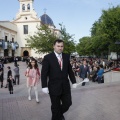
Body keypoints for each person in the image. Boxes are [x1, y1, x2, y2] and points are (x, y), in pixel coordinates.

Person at [41, 39, 77, 120]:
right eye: (58, 46)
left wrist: (74, 81)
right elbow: (44, 73)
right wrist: (44, 86)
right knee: (55, 106)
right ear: (54, 46)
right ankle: (58, 117)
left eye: (62, 46)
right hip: (53, 87)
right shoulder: (48, 58)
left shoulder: (66, 56)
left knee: (68, 103)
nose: (60, 48)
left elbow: (69, 70)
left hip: (65, 86)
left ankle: (58, 115)